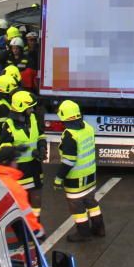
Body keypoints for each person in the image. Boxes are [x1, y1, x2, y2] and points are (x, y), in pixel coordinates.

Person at [55, 100, 104, 242]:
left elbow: (69, 161)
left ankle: (83, 233)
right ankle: (99, 228)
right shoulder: (88, 127)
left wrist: (58, 178)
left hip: (76, 179)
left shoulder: (69, 135)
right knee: (91, 202)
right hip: (90, 175)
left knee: (77, 207)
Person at [4, 91, 45, 224]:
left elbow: (40, 135)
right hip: (20, 170)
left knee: (37, 198)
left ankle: (36, 223)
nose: (32, 110)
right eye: (30, 107)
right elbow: (5, 151)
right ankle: (25, 226)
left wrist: (42, 147)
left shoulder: (33, 118)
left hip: (35, 167)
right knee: (22, 201)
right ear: (21, 107)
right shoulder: (9, 126)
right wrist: (29, 153)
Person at [0, 164, 45, 240]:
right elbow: (25, 212)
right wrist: (37, 231)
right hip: (23, 227)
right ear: (11, 163)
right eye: (15, 160)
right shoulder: (13, 187)